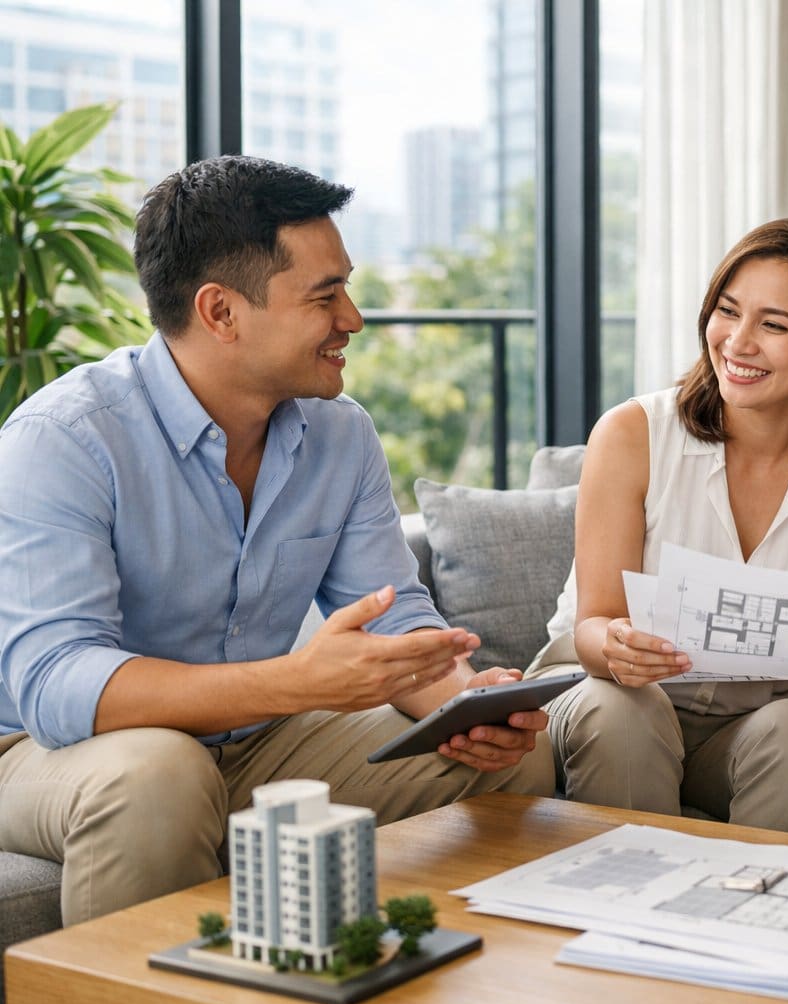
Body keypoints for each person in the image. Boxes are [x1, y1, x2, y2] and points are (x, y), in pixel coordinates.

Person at [0, 156, 555, 926]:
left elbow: (393, 619)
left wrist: (466, 704)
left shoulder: (340, 434)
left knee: (520, 755)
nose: (353, 319)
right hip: (47, 751)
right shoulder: (65, 439)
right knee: (161, 772)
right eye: (325, 297)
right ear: (221, 312)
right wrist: (296, 681)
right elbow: (58, 686)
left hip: (257, 740)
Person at [534, 216, 788, 837]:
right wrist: (616, 645)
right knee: (625, 712)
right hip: (606, 698)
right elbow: (593, 626)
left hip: (748, 727)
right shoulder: (632, 434)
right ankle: (629, 916)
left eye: (773, 325)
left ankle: (763, 925)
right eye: (727, 311)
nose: (737, 342)